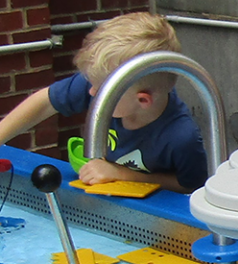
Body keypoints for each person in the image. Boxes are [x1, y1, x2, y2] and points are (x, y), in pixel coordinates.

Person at [0, 13, 208, 193]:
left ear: (142, 100)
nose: (91, 92)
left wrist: (123, 174)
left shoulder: (181, 137)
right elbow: (45, 102)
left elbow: (189, 185)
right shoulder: (106, 85)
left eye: (99, 89)